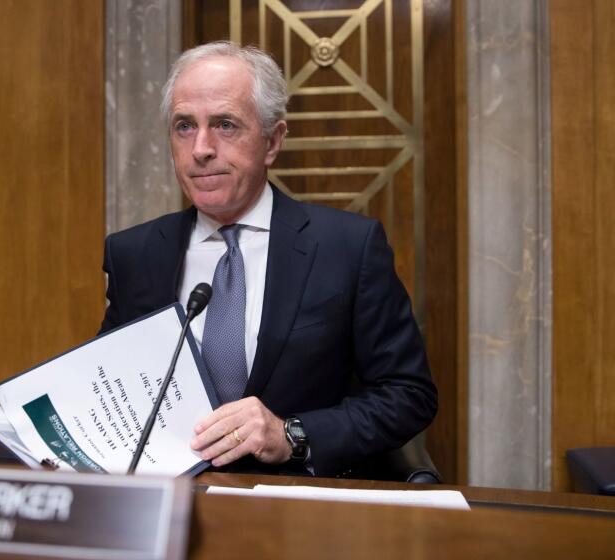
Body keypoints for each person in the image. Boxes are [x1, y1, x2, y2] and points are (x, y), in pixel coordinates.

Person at [99, 41, 437, 477]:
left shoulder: (348, 247)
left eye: (224, 124)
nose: (201, 148)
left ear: (272, 141)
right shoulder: (134, 253)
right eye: (184, 126)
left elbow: (409, 394)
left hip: (301, 513)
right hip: (170, 507)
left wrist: (292, 434)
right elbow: (107, 385)